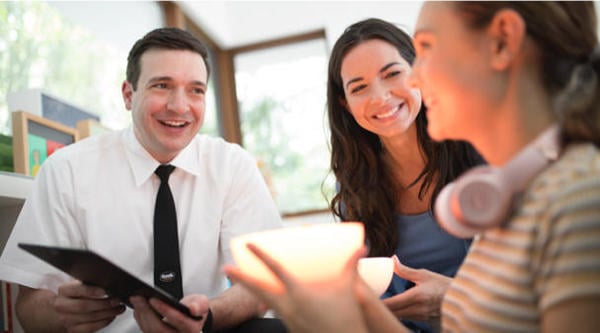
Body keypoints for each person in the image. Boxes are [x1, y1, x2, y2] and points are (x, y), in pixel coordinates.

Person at [225, 2, 600, 332]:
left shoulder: (576, 199)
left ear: (502, 41)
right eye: (359, 87)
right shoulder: (515, 203)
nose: (415, 78)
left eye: (427, 49)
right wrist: (353, 305)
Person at [0, 27, 284, 332]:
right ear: (128, 94)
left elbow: (262, 284)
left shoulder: (231, 165)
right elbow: (27, 307)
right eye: (162, 85)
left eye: (196, 90)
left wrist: (205, 317)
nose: (179, 106)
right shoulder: (65, 170)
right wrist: (61, 312)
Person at [326, 18, 482, 332]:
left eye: (393, 74)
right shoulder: (355, 187)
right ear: (346, 104)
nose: (381, 96)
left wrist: (453, 297)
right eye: (359, 87)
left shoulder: (478, 149)